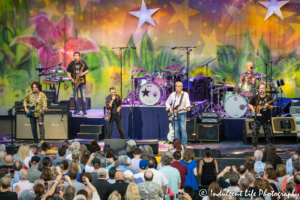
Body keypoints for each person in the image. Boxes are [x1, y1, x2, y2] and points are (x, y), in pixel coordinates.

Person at [248, 83, 274, 150]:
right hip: (257, 118)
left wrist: (268, 106)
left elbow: (271, 108)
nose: (261, 89)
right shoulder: (255, 97)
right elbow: (249, 104)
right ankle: (255, 146)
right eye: (260, 88)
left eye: (263, 88)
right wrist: (253, 109)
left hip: (266, 118)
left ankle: (268, 147)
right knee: (254, 132)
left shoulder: (269, 97)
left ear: (265, 89)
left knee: (268, 134)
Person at [166, 82, 190, 149]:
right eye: (176, 86)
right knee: (176, 130)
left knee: (183, 129)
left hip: (182, 114)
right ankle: (177, 145)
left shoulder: (185, 94)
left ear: (181, 87)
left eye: (179, 86)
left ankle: (184, 145)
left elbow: (188, 104)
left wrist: (186, 107)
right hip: (175, 114)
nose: (177, 87)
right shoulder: (173, 95)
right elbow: (167, 102)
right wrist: (170, 108)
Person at [66, 51, 89, 115]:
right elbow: (68, 72)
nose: (76, 57)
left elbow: (87, 70)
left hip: (81, 80)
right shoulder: (71, 63)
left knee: (83, 96)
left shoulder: (82, 63)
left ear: (79, 56)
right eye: (75, 55)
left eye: (77, 55)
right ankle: (77, 109)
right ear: (73, 56)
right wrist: (71, 79)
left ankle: (84, 110)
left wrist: (83, 73)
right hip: (74, 81)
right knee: (75, 97)